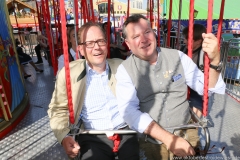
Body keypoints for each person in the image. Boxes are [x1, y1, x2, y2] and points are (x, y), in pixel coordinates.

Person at [115, 14, 225, 159]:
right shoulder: (125, 70)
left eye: (147, 32)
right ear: (128, 44)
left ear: (154, 33)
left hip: (186, 133)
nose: (144, 39)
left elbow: (207, 88)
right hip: (150, 141)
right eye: (136, 36)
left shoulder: (178, 57)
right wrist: (168, 139)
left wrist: (215, 60)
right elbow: (129, 112)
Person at [48, 22, 139, 159]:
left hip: (125, 130)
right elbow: (58, 109)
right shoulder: (68, 74)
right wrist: (64, 137)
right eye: (90, 43)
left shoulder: (122, 67)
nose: (97, 47)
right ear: (81, 49)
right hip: (91, 135)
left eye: (100, 41)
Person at [181, 24, 207, 118]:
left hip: (195, 89)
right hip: (181, 86)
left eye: (187, 39)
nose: (184, 41)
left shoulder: (205, 56)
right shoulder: (183, 50)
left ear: (199, 41)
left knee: (195, 115)